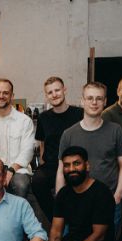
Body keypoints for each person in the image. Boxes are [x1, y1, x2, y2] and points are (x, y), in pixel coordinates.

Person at [57, 81, 122, 230]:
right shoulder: (68, 134)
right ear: (82, 101)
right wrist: (60, 201)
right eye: (90, 98)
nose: (94, 102)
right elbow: (60, 171)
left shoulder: (115, 130)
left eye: (99, 98)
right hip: (75, 203)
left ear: (105, 102)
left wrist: (118, 196)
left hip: (108, 201)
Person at [32, 77, 84, 223]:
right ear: (46, 96)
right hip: (51, 165)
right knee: (37, 183)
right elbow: (43, 144)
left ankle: (73, 223)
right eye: (50, 92)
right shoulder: (43, 117)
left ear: (64, 91)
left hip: (73, 163)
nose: (54, 95)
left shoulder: (79, 114)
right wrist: (42, 163)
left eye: (57, 90)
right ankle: (58, 221)